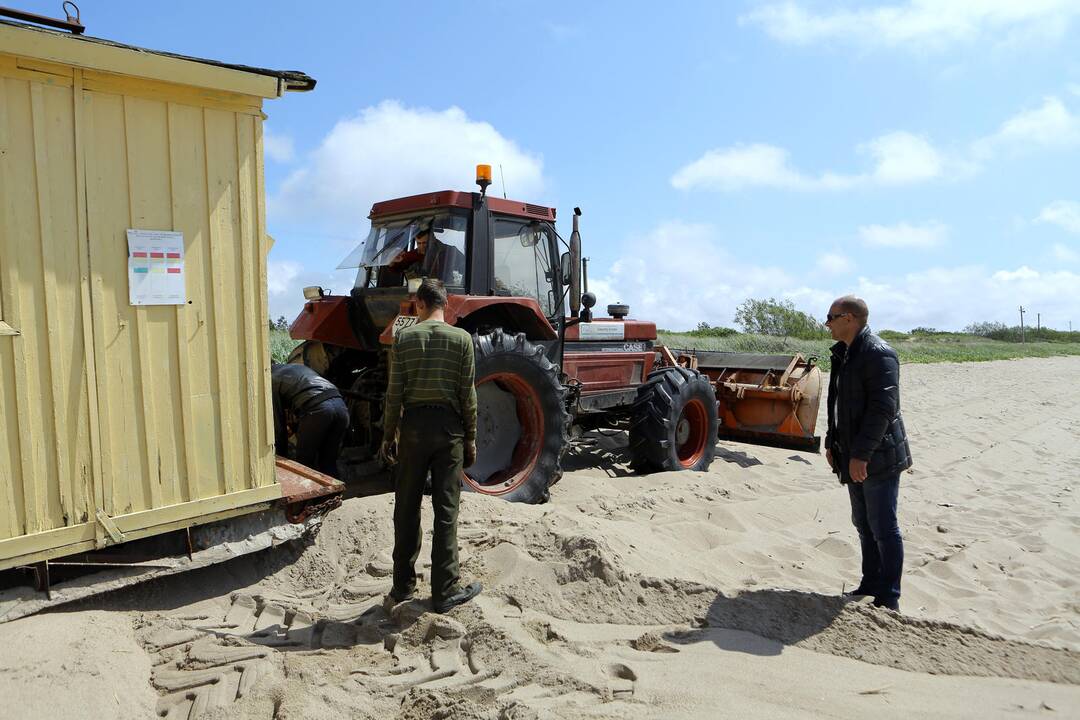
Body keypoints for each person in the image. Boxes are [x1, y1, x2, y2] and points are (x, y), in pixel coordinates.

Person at [380, 278, 482, 614]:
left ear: (420, 305)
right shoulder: (462, 340)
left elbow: (394, 393)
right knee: (446, 511)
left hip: (412, 431)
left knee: (406, 509)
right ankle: (444, 590)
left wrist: (388, 434)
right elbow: (468, 395)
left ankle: (403, 585)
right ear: (446, 305)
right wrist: (470, 438)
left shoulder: (405, 338)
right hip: (449, 430)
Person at [824, 295, 912, 612]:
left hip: (878, 455)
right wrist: (831, 444)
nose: (827, 323)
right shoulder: (844, 353)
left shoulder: (879, 354)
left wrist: (861, 455)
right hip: (851, 452)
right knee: (863, 522)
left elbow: (883, 410)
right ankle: (871, 582)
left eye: (831, 317)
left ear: (850, 319)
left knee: (883, 525)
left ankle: (889, 597)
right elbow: (836, 403)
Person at [272, 362, 350, 478]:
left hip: (318, 410)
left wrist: (280, 459)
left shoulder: (271, 379)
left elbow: (279, 426)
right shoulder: (294, 367)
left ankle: (311, 495)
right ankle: (336, 495)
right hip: (341, 407)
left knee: (304, 463)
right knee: (328, 461)